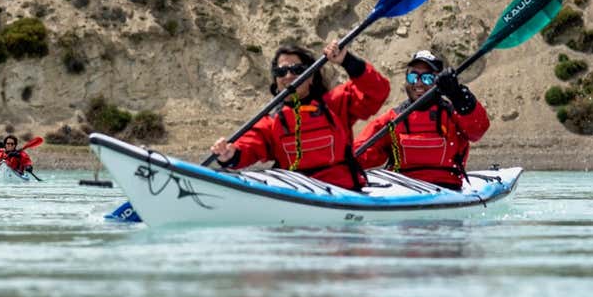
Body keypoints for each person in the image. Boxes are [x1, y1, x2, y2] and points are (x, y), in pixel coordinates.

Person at [210, 41, 390, 190]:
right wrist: (229, 154)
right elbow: (249, 146)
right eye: (281, 72)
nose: (288, 75)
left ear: (311, 76)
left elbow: (378, 91)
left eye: (297, 70)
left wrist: (348, 61)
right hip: (297, 191)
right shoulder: (272, 121)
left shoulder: (335, 104)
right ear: (276, 80)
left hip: (342, 191)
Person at [354, 50, 490, 190]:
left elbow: (478, 130)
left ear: (437, 81)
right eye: (413, 77)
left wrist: (458, 94)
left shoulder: (454, 114)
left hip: (447, 188)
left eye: (427, 78)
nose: (418, 83)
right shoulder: (393, 119)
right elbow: (362, 153)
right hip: (400, 189)